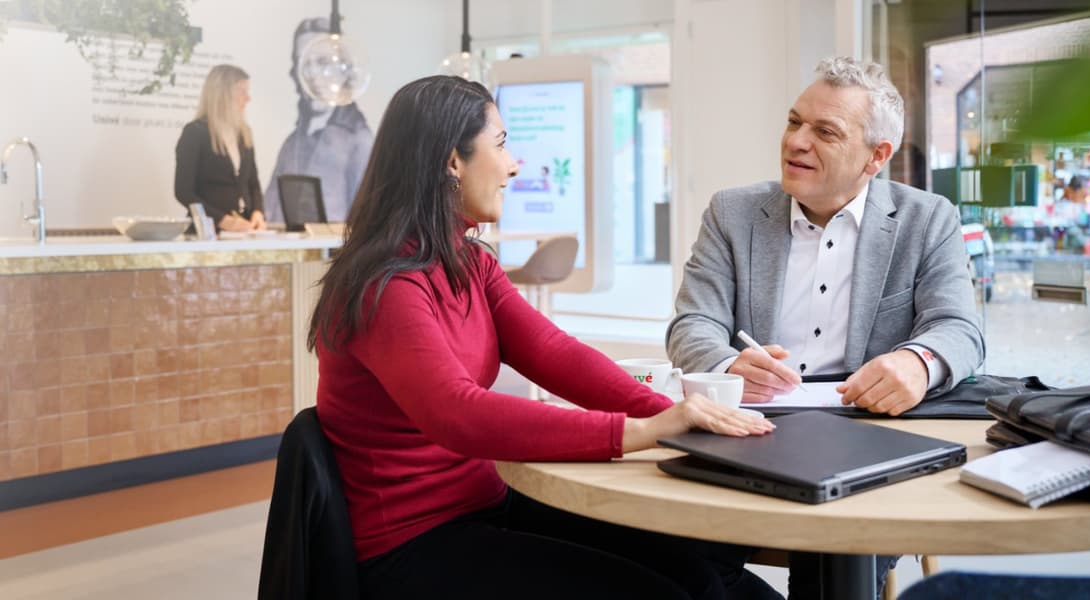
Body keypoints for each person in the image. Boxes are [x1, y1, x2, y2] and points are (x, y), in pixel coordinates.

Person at [309, 75, 780, 600]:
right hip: (413, 543)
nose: (514, 165)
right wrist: (643, 430)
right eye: (502, 145)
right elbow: (457, 413)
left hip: (485, 506)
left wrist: (680, 420)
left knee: (699, 568)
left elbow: (555, 354)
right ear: (451, 161)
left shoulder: (468, 262)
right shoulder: (388, 284)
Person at [666, 56, 984, 597]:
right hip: (750, 430)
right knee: (677, 551)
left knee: (832, 557)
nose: (796, 141)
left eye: (825, 131)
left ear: (876, 156)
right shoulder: (733, 212)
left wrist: (918, 362)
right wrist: (726, 365)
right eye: (794, 122)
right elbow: (691, 324)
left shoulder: (927, 218)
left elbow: (959, 328)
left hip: (869, 437)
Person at [262, 17, 375, 224]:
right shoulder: (291, 143)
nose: (314, 74)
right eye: (305, 63)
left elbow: (368, 217)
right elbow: (268, 210)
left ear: (344, 70)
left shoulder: (358, 140)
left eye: (323, 62)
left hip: (336, 251)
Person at [174, 64, 265, 232]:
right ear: (223, 93)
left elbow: (253, 183)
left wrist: (258, 213)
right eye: (241, 91)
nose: (248, 98)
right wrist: (222, 220)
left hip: (244, 231)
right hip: (207, 231)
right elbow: (183, 191)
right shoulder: (195, 132)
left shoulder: (244, 134)